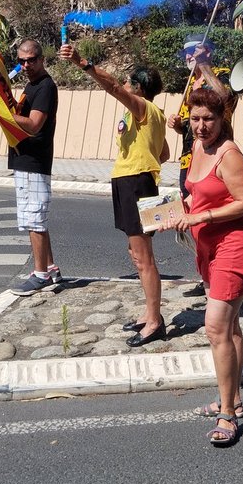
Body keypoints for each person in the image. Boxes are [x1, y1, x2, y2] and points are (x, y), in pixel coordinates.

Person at [162, 87, 243, 448]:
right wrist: (172, 209)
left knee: (216, 326)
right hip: (207, 248)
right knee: (230, 326)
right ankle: (231, 398)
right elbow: (195, 193)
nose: (201, 126)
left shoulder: (229, 153)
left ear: (222, 120)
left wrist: (201, 215)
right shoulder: (197, 147)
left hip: (235, 246)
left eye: (209, 119)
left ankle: (228, 416)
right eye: (196, 118)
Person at [59, 41, 170, 347]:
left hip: (136, 181)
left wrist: (83, 63)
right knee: (137, 254)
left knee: (144, 258)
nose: (123, 85)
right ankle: (149, 313)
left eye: (128, 82)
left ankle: (155, 322)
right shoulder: (154, 114)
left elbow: (112, 88)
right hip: (133, 179)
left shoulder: (143, 107)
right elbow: (165, 152)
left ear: (138, 87)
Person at [167, 39, 237, 295]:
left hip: (214, 154)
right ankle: (206, 269)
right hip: (190, 157)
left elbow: (225, 98)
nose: (189, 57)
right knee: (193, 215)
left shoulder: (220, 75)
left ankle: (220, 267)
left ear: (207, 52)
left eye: (193, 52)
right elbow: (190, 127)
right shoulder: (189, 86)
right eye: (186, 52)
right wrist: (178, 125)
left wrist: (205, 67)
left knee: (214, 215)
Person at [6, 38, 62, 295]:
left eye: (31, 60)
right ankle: (49, 267)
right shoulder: (31, 85)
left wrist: (4, 115)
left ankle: (39, 274)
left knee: (34, 219)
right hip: (26, 158)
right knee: (36, 217)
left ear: (41, 60)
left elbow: (34, 124)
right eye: (21, 61)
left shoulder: (45, 87)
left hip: (34, 160)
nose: (26, 65)